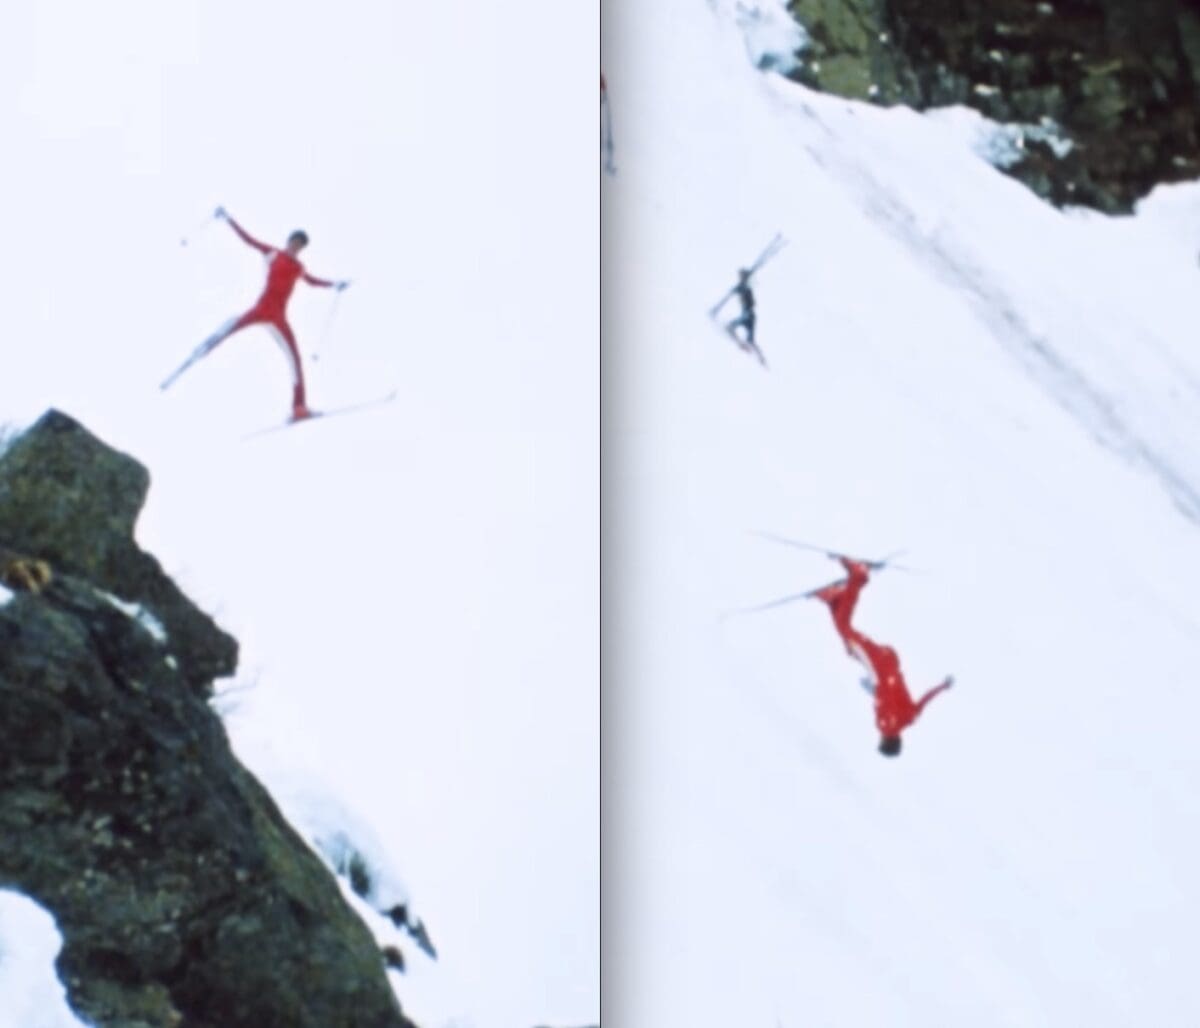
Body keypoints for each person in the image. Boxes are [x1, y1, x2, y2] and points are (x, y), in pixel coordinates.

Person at [196, 208, 349, 421]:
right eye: (295, 242)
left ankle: (299, 408)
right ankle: (203, 350)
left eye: (300, 246)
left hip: (278, 318)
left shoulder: (298, 267)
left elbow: (313, 282)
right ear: (289, 241)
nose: (296, 247)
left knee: (295, 360)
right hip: (261, 309)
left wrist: (334, 284)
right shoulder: (273, 253)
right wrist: (229, 220)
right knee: (231, 326)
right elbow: (248, 240)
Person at [813, 557, 953, 757]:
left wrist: (943, 686)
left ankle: (833, 598)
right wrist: (871, 688)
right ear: (886, 741)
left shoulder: (910, 719)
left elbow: (925, 700)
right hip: (878, 667)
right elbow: (883, 696)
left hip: (889, 660)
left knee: (849, 645)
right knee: (846, 630)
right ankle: (858, 577)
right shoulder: (884, 725)